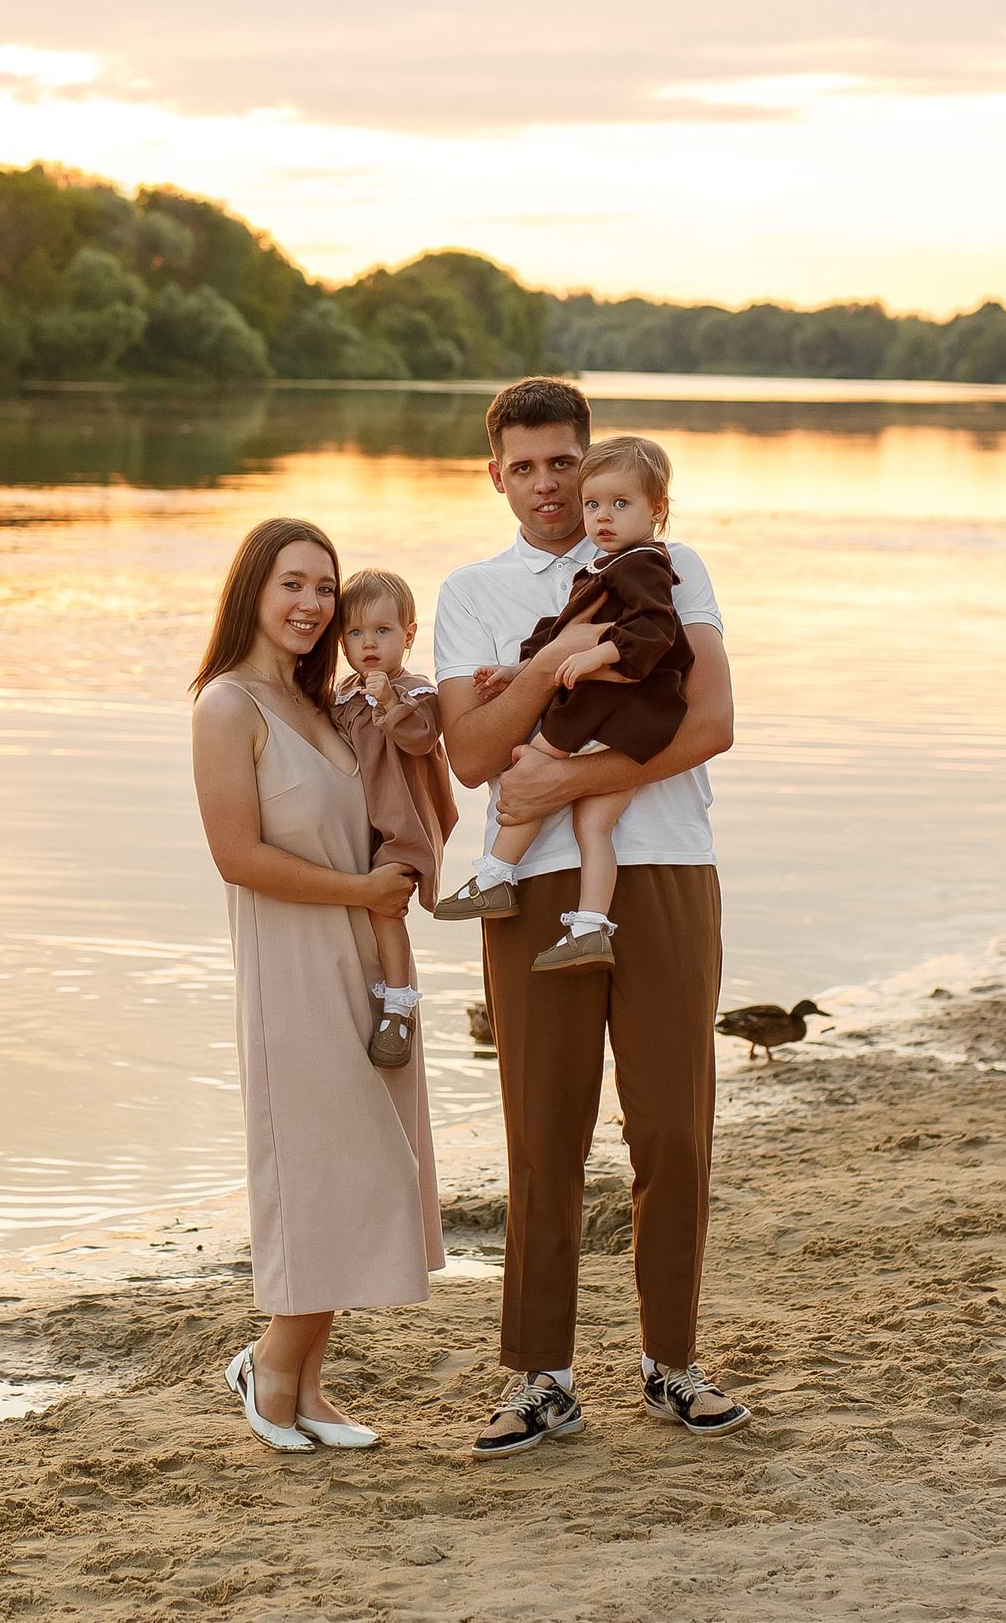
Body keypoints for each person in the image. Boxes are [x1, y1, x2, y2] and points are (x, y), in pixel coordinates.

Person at [431, 379, 751, 1458]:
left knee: (670, 1127)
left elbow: (708, 724)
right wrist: (542, 667)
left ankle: (671, 1363)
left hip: (661, 866)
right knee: (542, 1133)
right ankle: (539, 1377)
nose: (546, 487)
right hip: (531, 892)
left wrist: (558, 785)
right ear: (496, 476)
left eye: (561, 463)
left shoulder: (667, 563)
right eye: (521, 467)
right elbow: (472, 756)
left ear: (590, 461)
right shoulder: (472, 591)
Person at [190, 518, 446, 1453]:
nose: (309, 604)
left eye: (325, 590)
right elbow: (235, 855)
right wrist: (361, 891)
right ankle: (269, 1361)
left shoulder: (328, 706)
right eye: (292, 584)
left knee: (368, 1165)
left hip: (370, 961)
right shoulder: (228, 707)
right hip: (292, 964)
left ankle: (302, 1382)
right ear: (254, 588)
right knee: (330, 1167)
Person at [433, 438, 691, 976]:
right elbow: (553, 636)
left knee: (530, 765)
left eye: (618, 504)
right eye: (597, 504)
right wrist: (521, 671)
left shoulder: (646, 563)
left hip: (610, 718)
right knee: (593, 825)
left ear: (656, 509)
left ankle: (495, 875)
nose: (601, 515)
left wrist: (598, 651)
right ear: (498, 475)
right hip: (626, 724)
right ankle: (589, 925)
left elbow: (656, 630)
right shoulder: (597, 568)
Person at [332, 568, 459, 1067]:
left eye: (382, 632)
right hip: (355, 825)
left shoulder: (418, 693)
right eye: (355, 633)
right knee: (356, 906)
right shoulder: (342, 694)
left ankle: (399, 1004)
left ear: (408, 636)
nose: (368, 644)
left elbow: (422, 739)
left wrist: (389, 701)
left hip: (402, 823)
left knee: (385, 906)